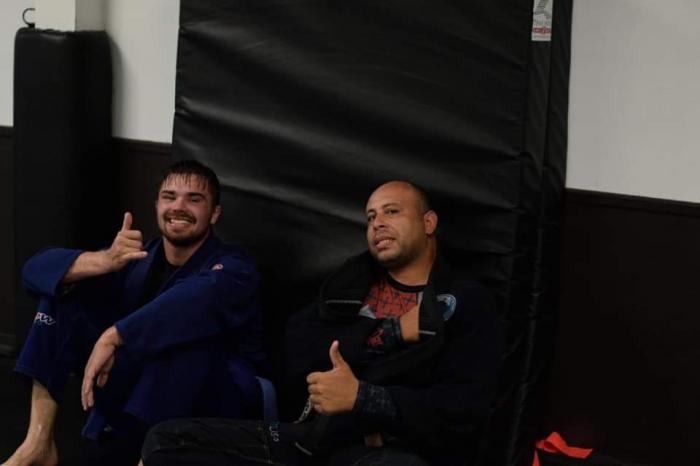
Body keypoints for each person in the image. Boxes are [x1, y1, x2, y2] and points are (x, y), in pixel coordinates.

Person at [140, 180, 504, 466]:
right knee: (165, 441)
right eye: (370, 217)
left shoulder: (463, 302)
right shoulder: (351, 282)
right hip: (309, 439)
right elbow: (297, 345)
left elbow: (462, 410)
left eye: (391, 212)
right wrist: (388, 333)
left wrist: (364, 398)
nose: (377, 224)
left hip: (381, 451)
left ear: (428, 223)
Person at [2, 160, 264, 466]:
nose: (178, 207)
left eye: (194, 199)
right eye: (169, 197)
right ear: (157, 206)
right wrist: (103, 262)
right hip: (143, 392)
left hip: (214, 401)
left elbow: (194, 301)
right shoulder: (139, 257)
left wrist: (114, 336)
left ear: (214, 213)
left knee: (187, 342)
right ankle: (38, 444)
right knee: (62, 297)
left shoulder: (235, 266)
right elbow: (34, 271)